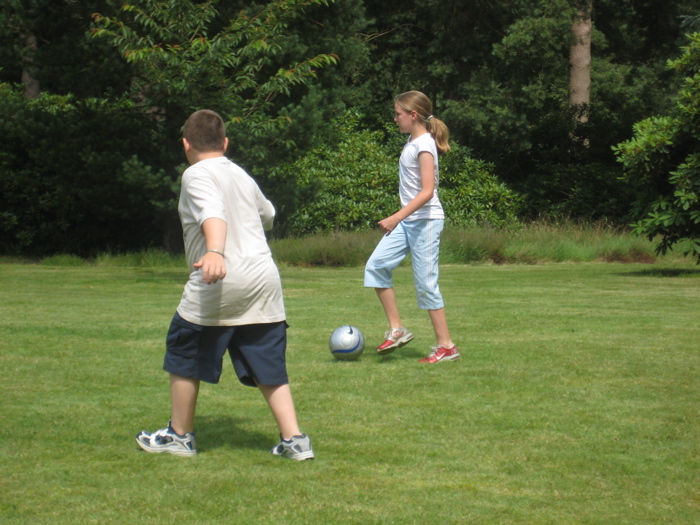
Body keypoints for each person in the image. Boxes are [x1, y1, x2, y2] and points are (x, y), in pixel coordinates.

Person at [136, 109, 314, 460]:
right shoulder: (241, 174)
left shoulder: (195, 174)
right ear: (225, 143)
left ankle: (179, 436)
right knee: (267, 360)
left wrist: (215, 251)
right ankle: (295, 441)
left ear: (185, 144)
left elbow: (212, 212)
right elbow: (269, 215)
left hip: (219, 277)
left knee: (185, 349)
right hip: (263, 278)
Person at [364, 91, 460, 364]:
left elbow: (428, 191)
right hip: (408, 221)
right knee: (376, 266)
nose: (395, 119)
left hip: (426, 221)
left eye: (398, 114)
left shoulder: (425, 145)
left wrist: (395, 217)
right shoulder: (411, 141)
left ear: (413, 115)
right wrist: (401, 219)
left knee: (426, 284)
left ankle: (446, 347)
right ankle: (398, 329)